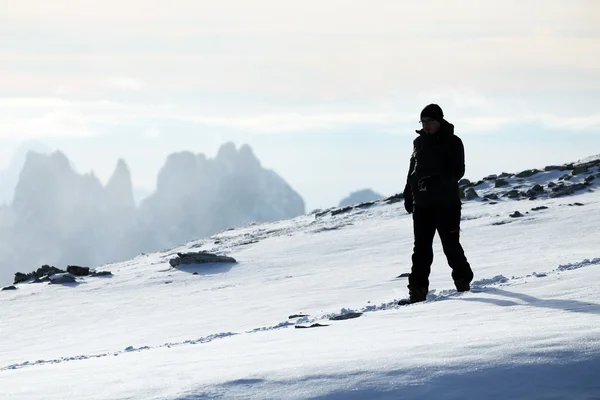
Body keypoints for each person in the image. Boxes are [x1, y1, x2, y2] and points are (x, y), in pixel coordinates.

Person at [400, 104, 474, 304]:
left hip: (447, 204)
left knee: (450, 245)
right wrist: (408, 195)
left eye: (430, 121)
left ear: (439, 120)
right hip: (423, 205)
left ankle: (463, 278)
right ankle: (417, 290)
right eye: (423, 121)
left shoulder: (453, 142)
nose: (426, 125)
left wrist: (435, 180)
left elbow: (458, 171)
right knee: (421, 249)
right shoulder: (419, 142)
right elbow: (412, 171)